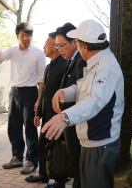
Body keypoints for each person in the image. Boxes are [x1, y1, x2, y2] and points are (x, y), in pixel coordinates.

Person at [42, 19, 124, 188]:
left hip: (100, 144)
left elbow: (94, 101)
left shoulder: (106, 68)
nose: (77, 48)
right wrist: (65, 92)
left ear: (84, 47)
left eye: (77, 44)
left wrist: (64, 117)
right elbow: (83, 86)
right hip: (92, 143)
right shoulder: (96, 63)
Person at [0, 23, 46, 174]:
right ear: (17, 36)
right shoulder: (13, 51)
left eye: (29, 35)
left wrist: (39, 98)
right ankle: (17, 158)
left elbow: (42, 79)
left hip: (30, 93)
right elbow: (2, 56)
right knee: (13, 127)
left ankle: (31, 161)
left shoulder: (38, 53)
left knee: (30, 129)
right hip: (14, 93)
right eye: (23, 35)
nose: (26, 38)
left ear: (32, 36)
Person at [24, 32, 68, 188]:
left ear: (55, 47)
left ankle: (59, 181)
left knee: (57, 149)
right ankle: (43, 174)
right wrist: (38, 113)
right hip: (46, 116)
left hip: (58, 118)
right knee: (42, 144)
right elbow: (44, 92)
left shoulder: (65, 66)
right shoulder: (49, 67)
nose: (43, 47)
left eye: (46, 44)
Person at [54, 22, 87, 188]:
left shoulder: (81, 61)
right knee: (74, 160)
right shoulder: (72, 60)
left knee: (77, 161)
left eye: (61, 45)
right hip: (69, 119)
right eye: (56, 45)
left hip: (75, 120)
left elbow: (82, 94)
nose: (59, 49)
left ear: (75, 41)